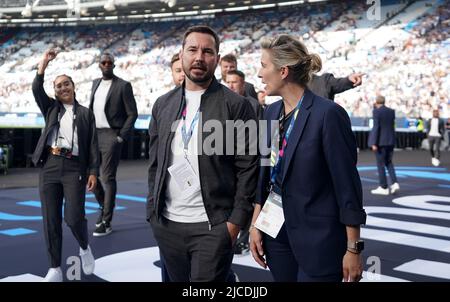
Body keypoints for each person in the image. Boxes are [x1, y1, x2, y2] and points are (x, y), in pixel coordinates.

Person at [249, 35, 366, 282]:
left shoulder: (328, 115)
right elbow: (265, 173)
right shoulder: (270, 113)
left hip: (319, 241)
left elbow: (347, 186)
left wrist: (353, 248)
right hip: (276, 234)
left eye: (263, 65)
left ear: (283, 71)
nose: (259, 74)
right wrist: (256, 223)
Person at [147, 25, 258, 282]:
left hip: (214, 227)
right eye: (192, 50)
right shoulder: (162, 104)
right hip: (167, 224)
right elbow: (155, 163)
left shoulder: (237, 106)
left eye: (207, 51)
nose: (199, 57)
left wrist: (234, 223)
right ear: (182, 54)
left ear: (217, 60)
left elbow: (248, 167)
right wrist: (152, 212)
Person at [32, 49, 98, 282]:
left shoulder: (86, 114)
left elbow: (92, 145)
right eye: (58, 86)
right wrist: (44, 64)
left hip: (74, 168)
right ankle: (54, 268)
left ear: (73, 86)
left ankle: (84, 246)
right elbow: (36, 89)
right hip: (50, 164)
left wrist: (93, 172)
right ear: (56, 92)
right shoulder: (50, 108)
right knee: (50, 219)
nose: (62, 88)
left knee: (73, 217)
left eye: (66, 83)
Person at [89, 52, 138, 236]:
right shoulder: (95, 83)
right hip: (94, 135)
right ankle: (103, 206)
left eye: (110, 62)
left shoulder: (123, 86)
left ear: (114, 65)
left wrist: (121, 137)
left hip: (112, 135)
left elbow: (132, 113)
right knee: (90, 175)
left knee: (107, 178)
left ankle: (106, 221)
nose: (107, 65)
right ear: (99, 65)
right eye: (104, 62)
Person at [368, 96, 400, 195]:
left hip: (380, 142)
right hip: (390, 140)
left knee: (380, 164)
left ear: (376, 102)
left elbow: (376, 127)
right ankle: (394, 183)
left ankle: (383, 186)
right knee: (389, 163)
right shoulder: (391, 111)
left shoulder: (377, 112)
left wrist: (373, 142)